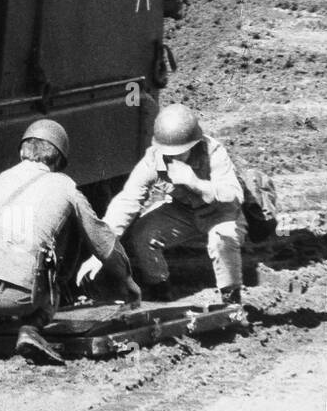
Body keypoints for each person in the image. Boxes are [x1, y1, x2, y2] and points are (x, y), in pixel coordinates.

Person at [0, 119, 139, 364]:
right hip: (24, 297)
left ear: (21, 152)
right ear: (59, 160)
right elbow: (103, 242)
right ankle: (32, 328)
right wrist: (128, 282)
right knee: (67, 231)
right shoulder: (66, 186)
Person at [77, 103, 245, 304]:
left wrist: (195, 183)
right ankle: (160, 292)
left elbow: (233, 196)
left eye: (180, 152)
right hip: (183, 212)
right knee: (143, 234)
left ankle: (232, 302)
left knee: (222, 238)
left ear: (194, 144)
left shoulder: (213, 152)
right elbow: (127, 201)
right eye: (168, 152)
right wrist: (101, 251)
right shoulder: (155, 159)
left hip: (222, 213)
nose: (173, 157)